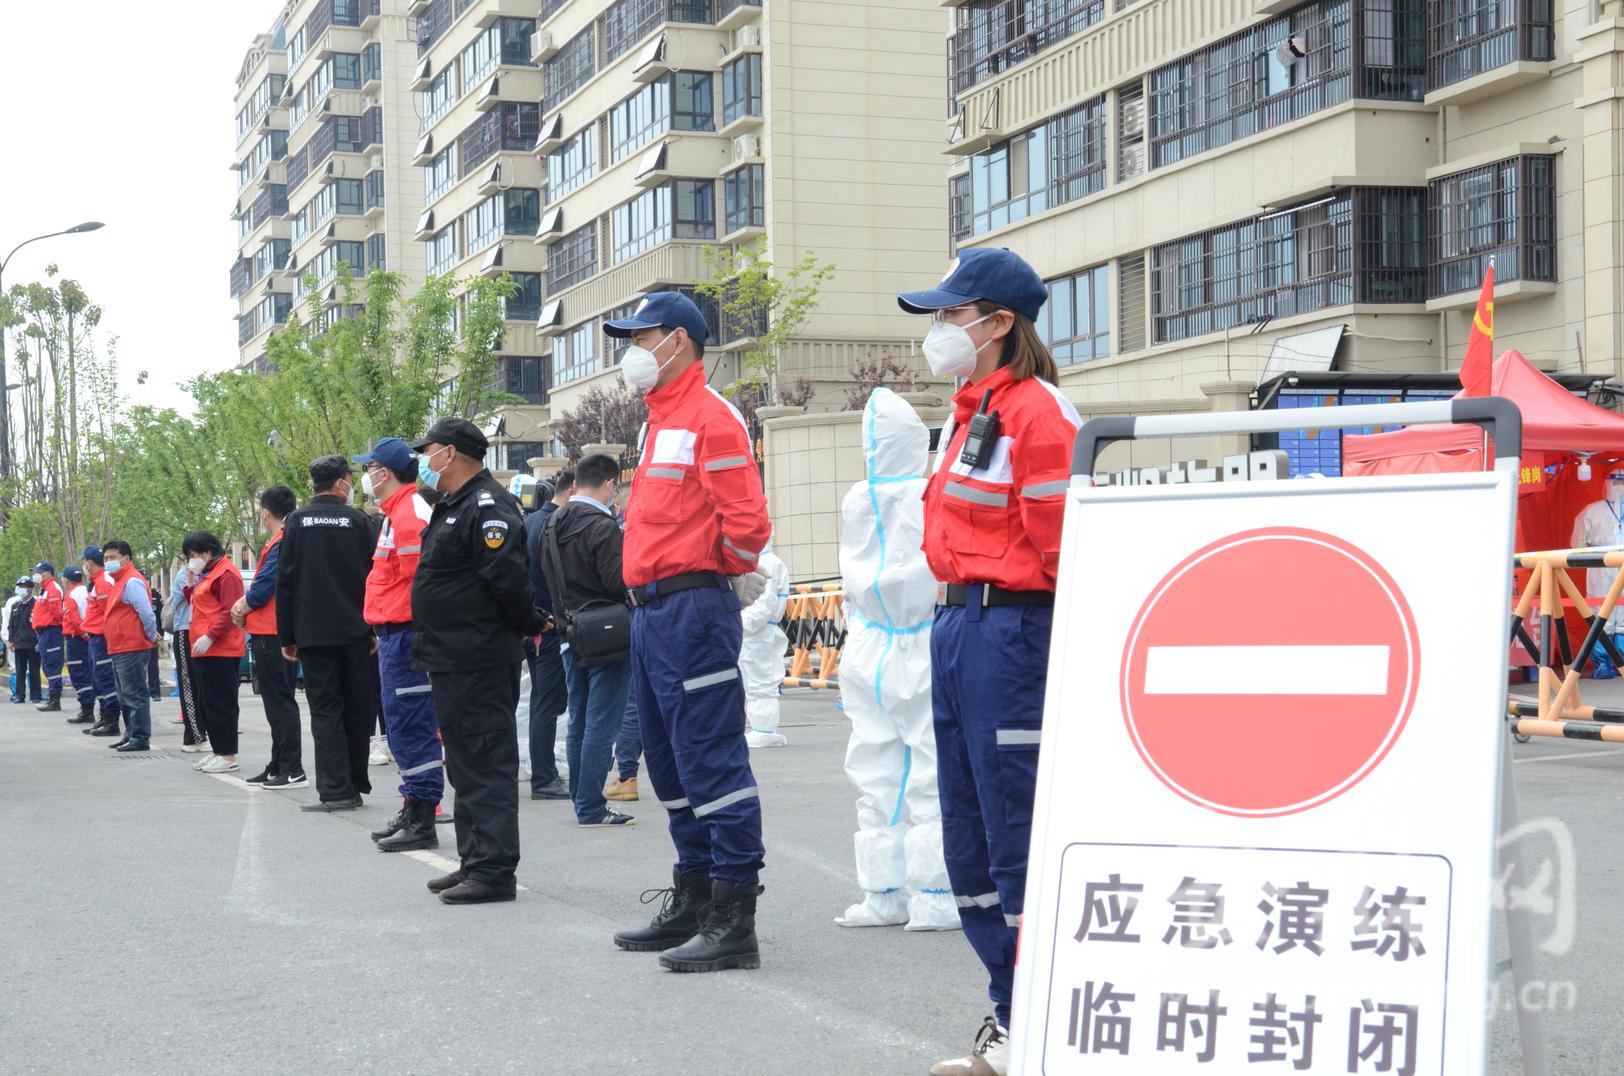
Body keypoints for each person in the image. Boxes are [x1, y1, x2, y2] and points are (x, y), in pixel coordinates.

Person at [898, 248, 1081, 1076]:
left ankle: (1046, 1020)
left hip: (1012, 634)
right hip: (959, 630)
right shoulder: (970, 412)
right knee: (968, 833)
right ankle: (1012, 1014)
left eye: (950, 314)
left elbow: (1070, 551)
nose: (939, 330)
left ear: (999, 322)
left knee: (1016, 831)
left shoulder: (1039, 414)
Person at [603, 292, 773, 972]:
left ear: (677, 340)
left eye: (640, 337)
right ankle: (695, 893)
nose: (631, 351)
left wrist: (713, 577)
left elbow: (748, 527)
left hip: (691, 609)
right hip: (651, 613)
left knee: (711, 760)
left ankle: (735, 915)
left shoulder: (711, 417)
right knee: (670, 764)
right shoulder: (656, 422)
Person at [836, 388, 958, 933]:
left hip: (868, 642)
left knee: (874, 768)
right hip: (918, 638)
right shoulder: (928, 493)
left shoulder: (857, 497)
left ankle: (881, 894)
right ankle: (934, 895)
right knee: (930, 768)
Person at [410, 417, 534, 905]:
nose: (424, 460)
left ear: (453, 453)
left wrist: (525, 623)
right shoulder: (453, 505)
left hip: (478, 656)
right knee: (464, 766)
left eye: (430, 451)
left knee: (486, 764)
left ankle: (494, 871)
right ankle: (474, 860)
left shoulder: (488, 505)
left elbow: (507, 581)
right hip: (452, 656)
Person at [352, 438, 443, 853]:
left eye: (368, 468)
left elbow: (422, 585)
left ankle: (423, 816)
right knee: (403, 728)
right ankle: (414, 807)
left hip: (408, 637)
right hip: (395, 637)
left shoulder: (409, 513)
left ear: (383, 473)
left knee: (412, 727)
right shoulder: (396, 512)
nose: (365, 476)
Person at [539, 452, 635, 828]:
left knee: (578, 717)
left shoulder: (553, 522)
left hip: (569, 630)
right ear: (610, 484)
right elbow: (617, 580)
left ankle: (583, 799)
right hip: (607, 633)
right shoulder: (603, 525)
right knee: (602, 721)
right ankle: (591, 805)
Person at [277, 455, 376, 811]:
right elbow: (373, 575)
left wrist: (286, 635)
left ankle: (335, 790)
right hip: (356, 631)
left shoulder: (297, 523)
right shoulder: (359, 520)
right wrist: (373, 626)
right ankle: (354, 782)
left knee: (326, 710)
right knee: (357, 707)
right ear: (340, 483)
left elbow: (285, 581)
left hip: (313, 633)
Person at [229, 487, 307, 787]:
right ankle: (278, 764)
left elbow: (264, 587)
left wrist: (240, 608)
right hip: (267, 630)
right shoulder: (282, 538)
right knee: (275, 703)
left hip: (273, 632)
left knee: (281, 703)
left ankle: (293, 768)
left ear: (265, 513)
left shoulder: (282, 540)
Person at [522, 469, 572, 800]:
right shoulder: (557, 523)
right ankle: (544, 776)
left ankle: (544, 770)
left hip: (532, 621)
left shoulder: (531, 522)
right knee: (546, 702)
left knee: (543, 698)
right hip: (549, 624)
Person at [181, 532, 246, 770]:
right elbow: (201, 606)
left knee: (222, 703)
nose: (192, 560)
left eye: (195, 555)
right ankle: (219, 750)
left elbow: (231, 610)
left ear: (209, 551)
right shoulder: (207, 574)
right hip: (204, 649)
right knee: (208, 703)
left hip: (221, 648)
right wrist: (190, 586)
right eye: (189, 556)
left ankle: (228, 755)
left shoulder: (226, 574)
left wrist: (210, 636)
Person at [100, 540, 160, 752]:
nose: (108, 562)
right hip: (119, 646)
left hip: (131, 645)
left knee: (134, 693)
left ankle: (140, 737)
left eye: (112, 557)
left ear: (125, 558)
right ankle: (130, 734)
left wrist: (152, 635)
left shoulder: (131, 581)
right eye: (105, 558)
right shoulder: (119, 580)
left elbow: (146, 612)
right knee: (124, 694)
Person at [739, 545, 790, 748]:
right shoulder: (759, 561)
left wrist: (739, 621)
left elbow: (762, 607)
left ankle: (765, 729)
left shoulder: (767, 563)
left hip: (758, 634)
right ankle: (760, 727)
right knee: (751, 682)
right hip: (752, 633)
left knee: (761, 681)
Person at [1572, 469, 1624, 643]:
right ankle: (1603, 660)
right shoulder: (1592, 511)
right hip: (1600, 564)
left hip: (1605, 563)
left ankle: (1618, 658)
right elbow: (1577, 543)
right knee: (1600, 610)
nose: (1620, 488)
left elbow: (1577, 543)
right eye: (1617, 484)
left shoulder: (1591, 510)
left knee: (1618, 611)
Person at [79, 546, 123, 738]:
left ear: (90, 562)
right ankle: (104, 717)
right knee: (98, 679)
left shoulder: (104, 581)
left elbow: (109, 612)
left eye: (85, 561)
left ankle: (112, 720)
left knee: (105, 678)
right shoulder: (96, 581)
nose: (84, 564)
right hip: (95, 637)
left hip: (103, 638)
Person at [167, 562, 207, 752]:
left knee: (199, 685)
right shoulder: (187, 575)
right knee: (189, 685)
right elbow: (201, 597)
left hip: (197, 632)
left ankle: (200, 734)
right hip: (185, 632)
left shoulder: (201, 574)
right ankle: (194, 737)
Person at [60, 567, 96, 724]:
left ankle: (86, 709)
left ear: (66, 580)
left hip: (77, 639)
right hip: (88, 637)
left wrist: (83, 634)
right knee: (89, 672)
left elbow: (74, 619)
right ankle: (89, 708)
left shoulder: (70, 595)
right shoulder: (86, 590)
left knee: (78, 674)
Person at [30, 562, 65, 712]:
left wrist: (53, 626)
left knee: (52, 664)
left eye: (39, 572)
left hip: (51, 632)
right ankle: (52, 698)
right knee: (47, 665)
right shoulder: (45, 589)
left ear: (48, 574)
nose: (36, 575)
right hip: (44, 633)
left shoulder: (53, 588)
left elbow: (58, 613)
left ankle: (55, 699)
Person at [7, 579, 40, 704]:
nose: (21, 589)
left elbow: (39, 624)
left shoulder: (37, 604)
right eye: (19, 586)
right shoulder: (16, 605)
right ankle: (20, 695)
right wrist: (10, 641)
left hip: (33, 644)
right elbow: (11, 625)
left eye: (24, 586)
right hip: (19, 644)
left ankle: (36, 695)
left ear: (31, 589)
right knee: (20, 671)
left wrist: (39, 642)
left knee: (34, 670)